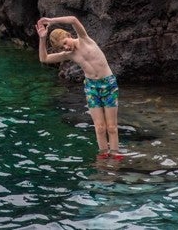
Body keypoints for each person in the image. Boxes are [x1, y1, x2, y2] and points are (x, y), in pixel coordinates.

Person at [36, 15, 121, 158]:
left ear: (69, 35)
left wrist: (51, 21)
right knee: (100, 128)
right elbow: (43, 58)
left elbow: (74, 20)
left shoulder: (85, 39)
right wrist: (42, 38)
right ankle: (103, 155)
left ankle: (115, 155)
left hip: (108, 84)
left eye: (65, 42)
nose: (66, 47)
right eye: (62, 47)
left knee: (111, 127)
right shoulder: (69, 55)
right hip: (91, 87)